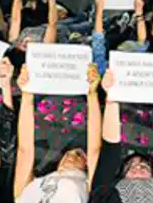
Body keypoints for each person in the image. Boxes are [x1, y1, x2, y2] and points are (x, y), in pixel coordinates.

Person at [89, 67, 153, 202]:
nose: (138, 167)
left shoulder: (106, 195)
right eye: (144, 165)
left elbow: (110, 149)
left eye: (131, 167)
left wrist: (111, 96)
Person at [14, 64, 100, 202]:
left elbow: (25, 151)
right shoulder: (88, 185)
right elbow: (95, 151)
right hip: (83, 138)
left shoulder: (23, 197)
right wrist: (92, 95)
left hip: (55, 146)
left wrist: (27, 93)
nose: (70, 157)